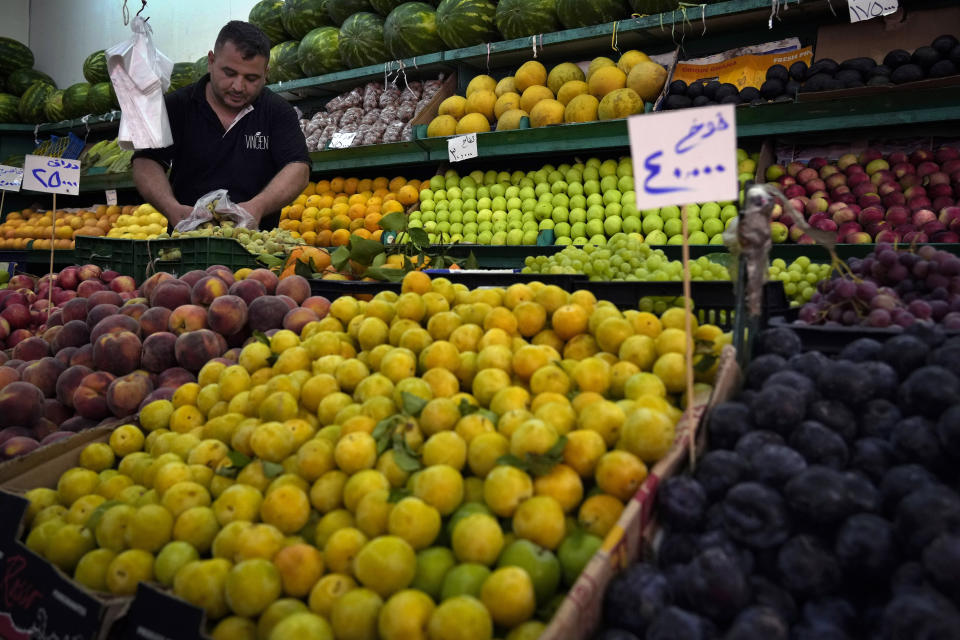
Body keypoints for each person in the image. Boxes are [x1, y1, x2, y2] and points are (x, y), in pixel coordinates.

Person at [132, 20, 310, 230]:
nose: (238, 86)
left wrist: (257, 207)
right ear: (211, 60)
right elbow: (146, 161)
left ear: (266, 73)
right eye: (230, 73)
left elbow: (298, 167)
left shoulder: (277, 111)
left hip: (254, 249)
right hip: (188, 245)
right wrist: (171, 207)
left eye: (251, 78)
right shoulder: (178, 106)